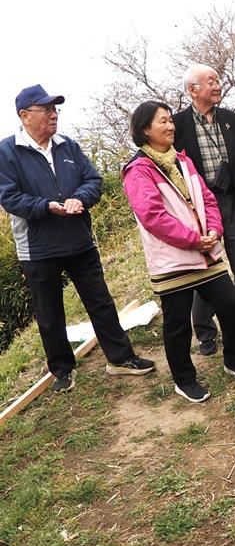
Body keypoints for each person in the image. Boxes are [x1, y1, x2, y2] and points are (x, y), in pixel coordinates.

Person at [0, 84, 155, 392]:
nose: (53, 115)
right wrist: (46, 206)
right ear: (25, 115)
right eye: (46, 110)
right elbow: (9, 197)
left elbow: (93, 180)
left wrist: (79, 198)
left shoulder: (67, 145)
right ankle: (62, 370)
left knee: (101, 302)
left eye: (55, 109)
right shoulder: (7, 152)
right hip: (38, 248)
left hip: (79, 240)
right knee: (49, 313)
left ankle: (120, 359)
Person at [123, 101, 235, 403]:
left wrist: (214, 230)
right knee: (177, 324)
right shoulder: (138, 170)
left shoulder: (183, 160)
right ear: (145, 129)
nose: (170, 126)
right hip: (172, 260)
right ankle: (184, 380)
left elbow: (207, 199)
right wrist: (193, 240)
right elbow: (153, 217)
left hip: (205, 252)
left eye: (170, 120)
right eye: (162, 121)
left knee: (230, 305)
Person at [172, 64, 235, 355]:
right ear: (192, 90)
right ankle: (205, 331)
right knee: (207, 266)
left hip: (233, 199)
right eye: (211, 81)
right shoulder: (177, 124)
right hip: (200, 205)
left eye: (218, 80)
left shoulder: (232, 120)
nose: (218, 85)